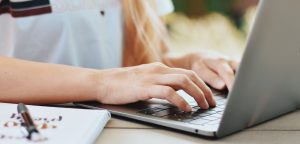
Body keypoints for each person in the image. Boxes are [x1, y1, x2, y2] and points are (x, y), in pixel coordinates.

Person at [0, 0, 238, 112]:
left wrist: (189, 65)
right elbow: (119, 80)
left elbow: (147, 58)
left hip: (118, 129)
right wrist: (104, 83)